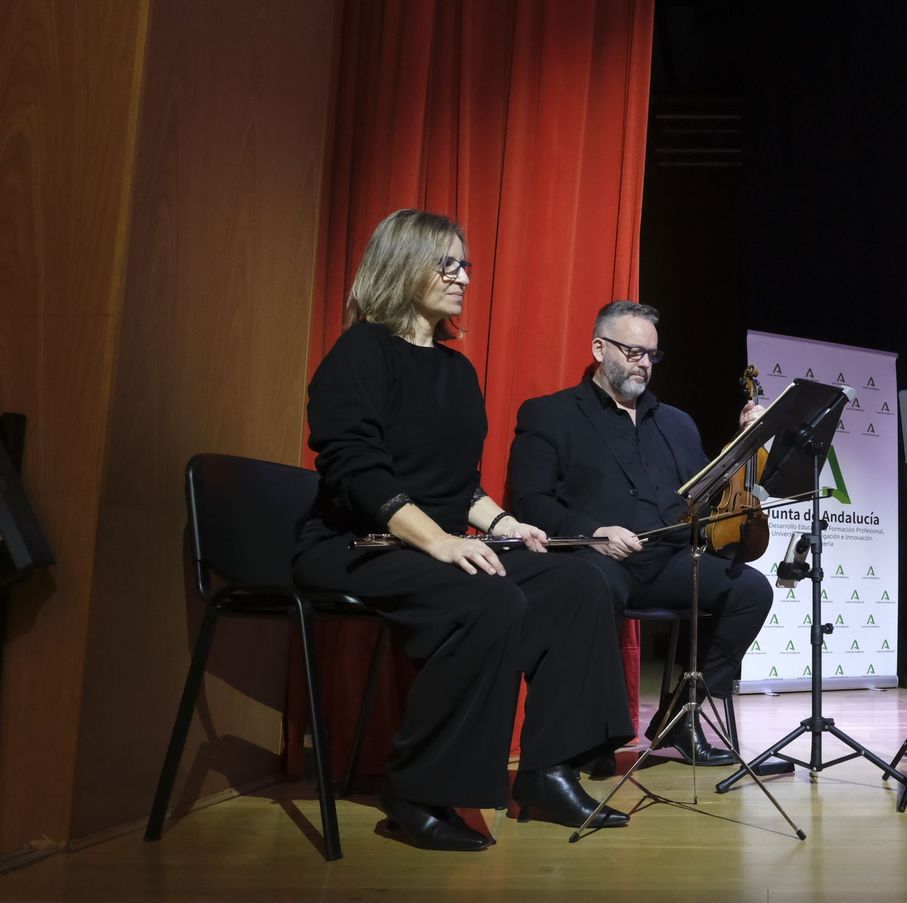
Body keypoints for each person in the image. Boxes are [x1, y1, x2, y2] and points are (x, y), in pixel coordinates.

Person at [293, 210, 634, 851]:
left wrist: (508, 525)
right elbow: (355, 470)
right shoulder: (362, 351)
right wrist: (441, 541)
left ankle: (549, 773)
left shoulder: (457, 371)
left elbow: (459, 487)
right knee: (488, 595)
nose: (461, 277)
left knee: (578, 581)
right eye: (446, 263)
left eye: (465, 265)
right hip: (354, 543)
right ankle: (417, 788)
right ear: (401, 265)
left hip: (432, 540)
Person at [506, 300, 773, 767]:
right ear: (598, 348)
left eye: (651, 354)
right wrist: (593, 533)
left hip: (667, 561)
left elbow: (702, 498)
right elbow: (529, 502)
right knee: (590, 587)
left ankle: (682, 714)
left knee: (750, 590)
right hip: (595, 560)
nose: (645, 364)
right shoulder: (549, 415)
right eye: (633, 352)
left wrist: (743, 447)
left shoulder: (676, 422)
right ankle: (589, 741)